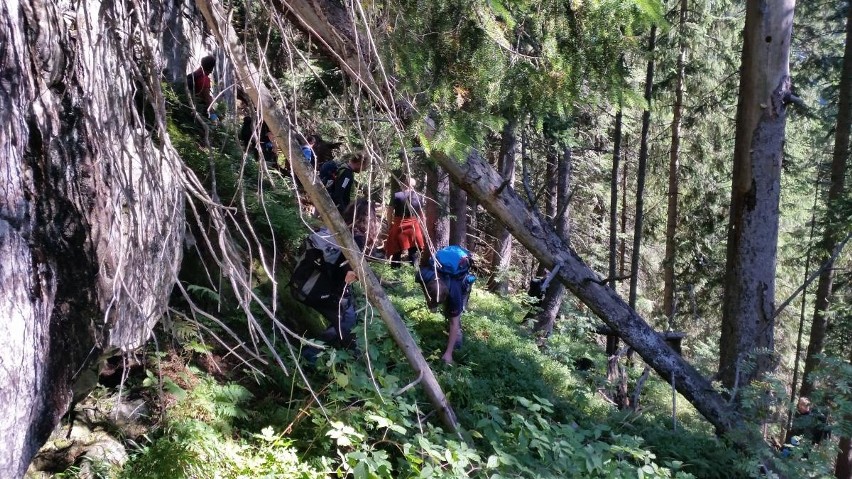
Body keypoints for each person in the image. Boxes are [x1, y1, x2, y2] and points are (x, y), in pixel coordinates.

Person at [287, 199, 378, 362]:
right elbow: (348, 273)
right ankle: (311, 356)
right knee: (347, 321)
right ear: (370, 219)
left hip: (302, 284)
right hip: (320, 292)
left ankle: (329, 353)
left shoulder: (335, 230)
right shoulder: (356, 239)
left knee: (345, 315)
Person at [416, 246, 476, 365]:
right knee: (435, 308)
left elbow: (454, 323)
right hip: (442, 276)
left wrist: (448, 354)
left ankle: (455, 340)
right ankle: (438, 306)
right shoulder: (425, 275)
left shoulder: (455, 292)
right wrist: (432, 304)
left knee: (455, 319)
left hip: (460, 283)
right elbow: (421, 280)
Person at [385, 177, 425, 267]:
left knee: (396, 250)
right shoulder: (419, 196)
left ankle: (395, 270)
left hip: (399, 225)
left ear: (404, 184)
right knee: (413, 250)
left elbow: (390, 211)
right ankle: (414, 271)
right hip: (414, 226)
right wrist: (422, 227)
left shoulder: (396, 195)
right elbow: (421, 214)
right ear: (413, 186)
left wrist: (389, 224)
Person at [186, 55, 218, 123]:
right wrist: (214, 117)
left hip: (189, 103)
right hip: (199, 108)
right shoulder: (205, 79)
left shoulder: (195, 73)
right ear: (211, 68)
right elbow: (207, 99)